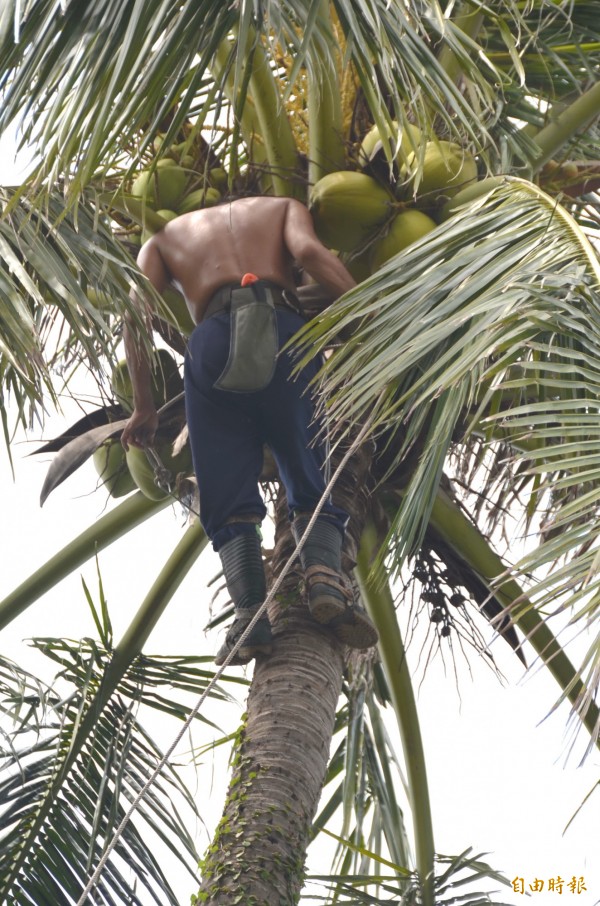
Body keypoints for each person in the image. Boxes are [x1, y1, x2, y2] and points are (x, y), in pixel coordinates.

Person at [121, 195, 377, 665]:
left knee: (224, 483)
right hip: (283, 329)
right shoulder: (282, 207)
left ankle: (250, 616)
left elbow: (135, 315)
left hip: (211, 344)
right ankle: (323, 575)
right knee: (305, 456)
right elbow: (310, 256)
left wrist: (145, 407)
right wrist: (370, 315)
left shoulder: (161, 238)